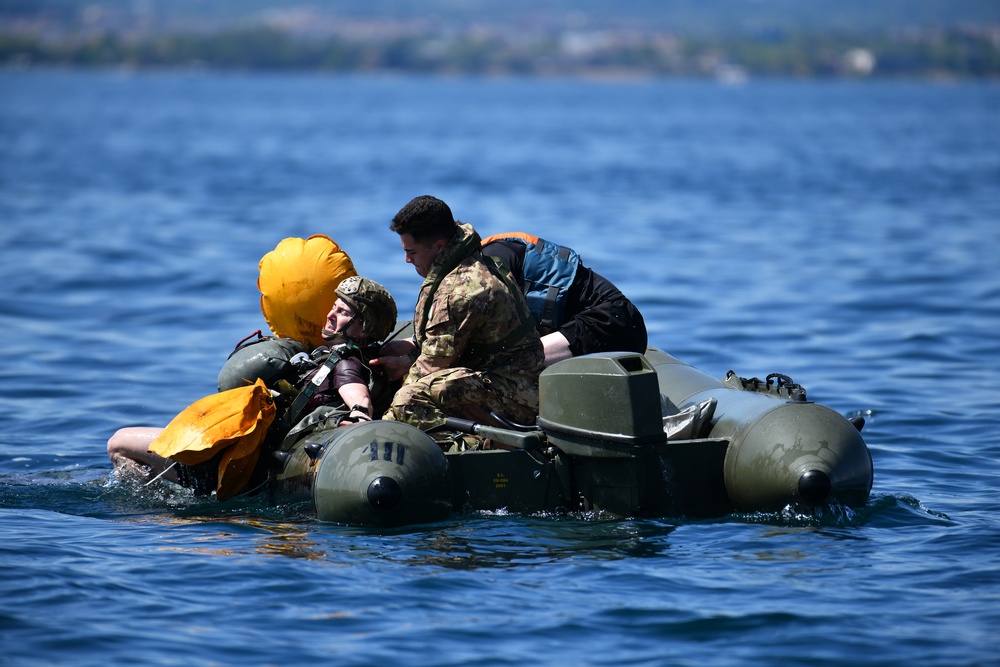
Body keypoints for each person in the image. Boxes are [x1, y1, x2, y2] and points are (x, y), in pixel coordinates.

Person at [107, 276, 399, 493]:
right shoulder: (351, 358)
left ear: (364, 327)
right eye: (334, 307)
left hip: (239, 461)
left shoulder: (346, 359)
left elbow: (353, 385)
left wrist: (360, 414)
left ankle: (157, 512)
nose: (331, 315)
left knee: (119, 444)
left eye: (344, 312)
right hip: (257, 456)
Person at [370, 195, 544, 447]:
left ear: (439, 246)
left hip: (517, 395)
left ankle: (470, 446)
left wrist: (382, 423)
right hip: (497, 374)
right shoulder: (462, 260)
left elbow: (430, 367)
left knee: (410, 399)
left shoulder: (460, 291)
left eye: (411, 252)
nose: (407, 260)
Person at [481, 232, 647, 367]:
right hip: (610, 324)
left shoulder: (491, 262)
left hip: (610, 323)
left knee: (504, 368)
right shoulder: (485, 258)